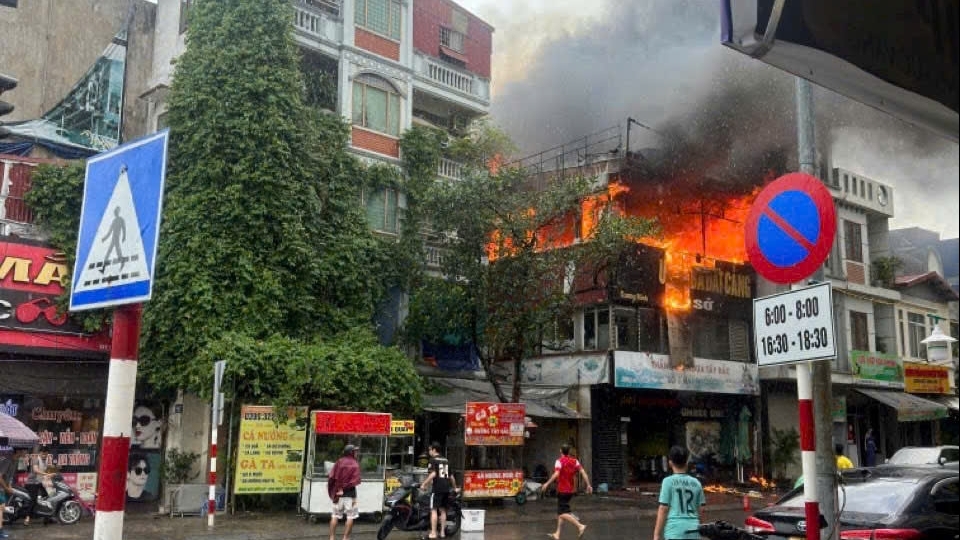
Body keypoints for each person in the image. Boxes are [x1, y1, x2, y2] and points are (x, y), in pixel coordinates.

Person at [541, 443, 592, 540]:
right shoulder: (575, 461)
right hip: (570, 491)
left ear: (561, 451)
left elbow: (556, 474)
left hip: (562, 490)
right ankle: (557, 534)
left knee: (562, 513)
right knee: (561, 513)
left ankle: (580, 526)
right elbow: (583, 473)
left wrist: (547, 483)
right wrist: (588, 484)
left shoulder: (559, 461)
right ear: (569, 452)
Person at [654, 446, 705, 540]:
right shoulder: (697, 483)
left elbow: (663, 508)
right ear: (686, 462)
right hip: (694, 528)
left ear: (670, 463)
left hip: (675, 530)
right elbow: (701, 510)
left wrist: (656, 534)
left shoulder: (667, 482)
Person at [420, 442, 459, 539]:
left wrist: (424, 484)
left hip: (437, 488)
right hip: (446, 488)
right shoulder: (446, 460)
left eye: (430, 450)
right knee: (443, 510)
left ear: (434, 450)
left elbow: (433, 474)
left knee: (433, 510)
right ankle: (442, 533)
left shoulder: (433, 460)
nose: (429, 452)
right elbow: (451, 477)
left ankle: (433, 533)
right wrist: (454, 488)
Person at [327, 444, 361, 540]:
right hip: (350, 495)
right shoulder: (355, 463)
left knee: (334, 515)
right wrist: (346, 486)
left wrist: (335, 489)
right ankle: (345, 538)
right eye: (355, 451)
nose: (357, 453)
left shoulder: (339, 462)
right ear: (351, 452)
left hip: (338, 494)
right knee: (350, 517)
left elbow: (331, 477)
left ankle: (332, 537)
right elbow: (356, 480)